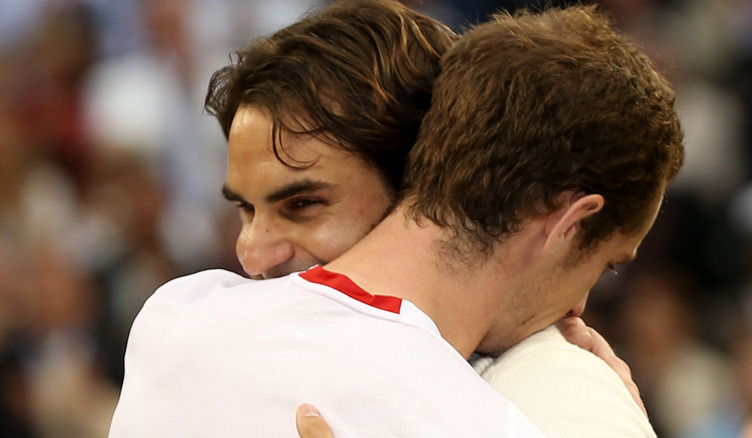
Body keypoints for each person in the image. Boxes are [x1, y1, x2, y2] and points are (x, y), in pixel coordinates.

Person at [108, 2, 683, 437]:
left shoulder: (172, 320)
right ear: (568, 223)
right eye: (606, 264)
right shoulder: (494, 420)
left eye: (303, 203)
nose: (253, 255)